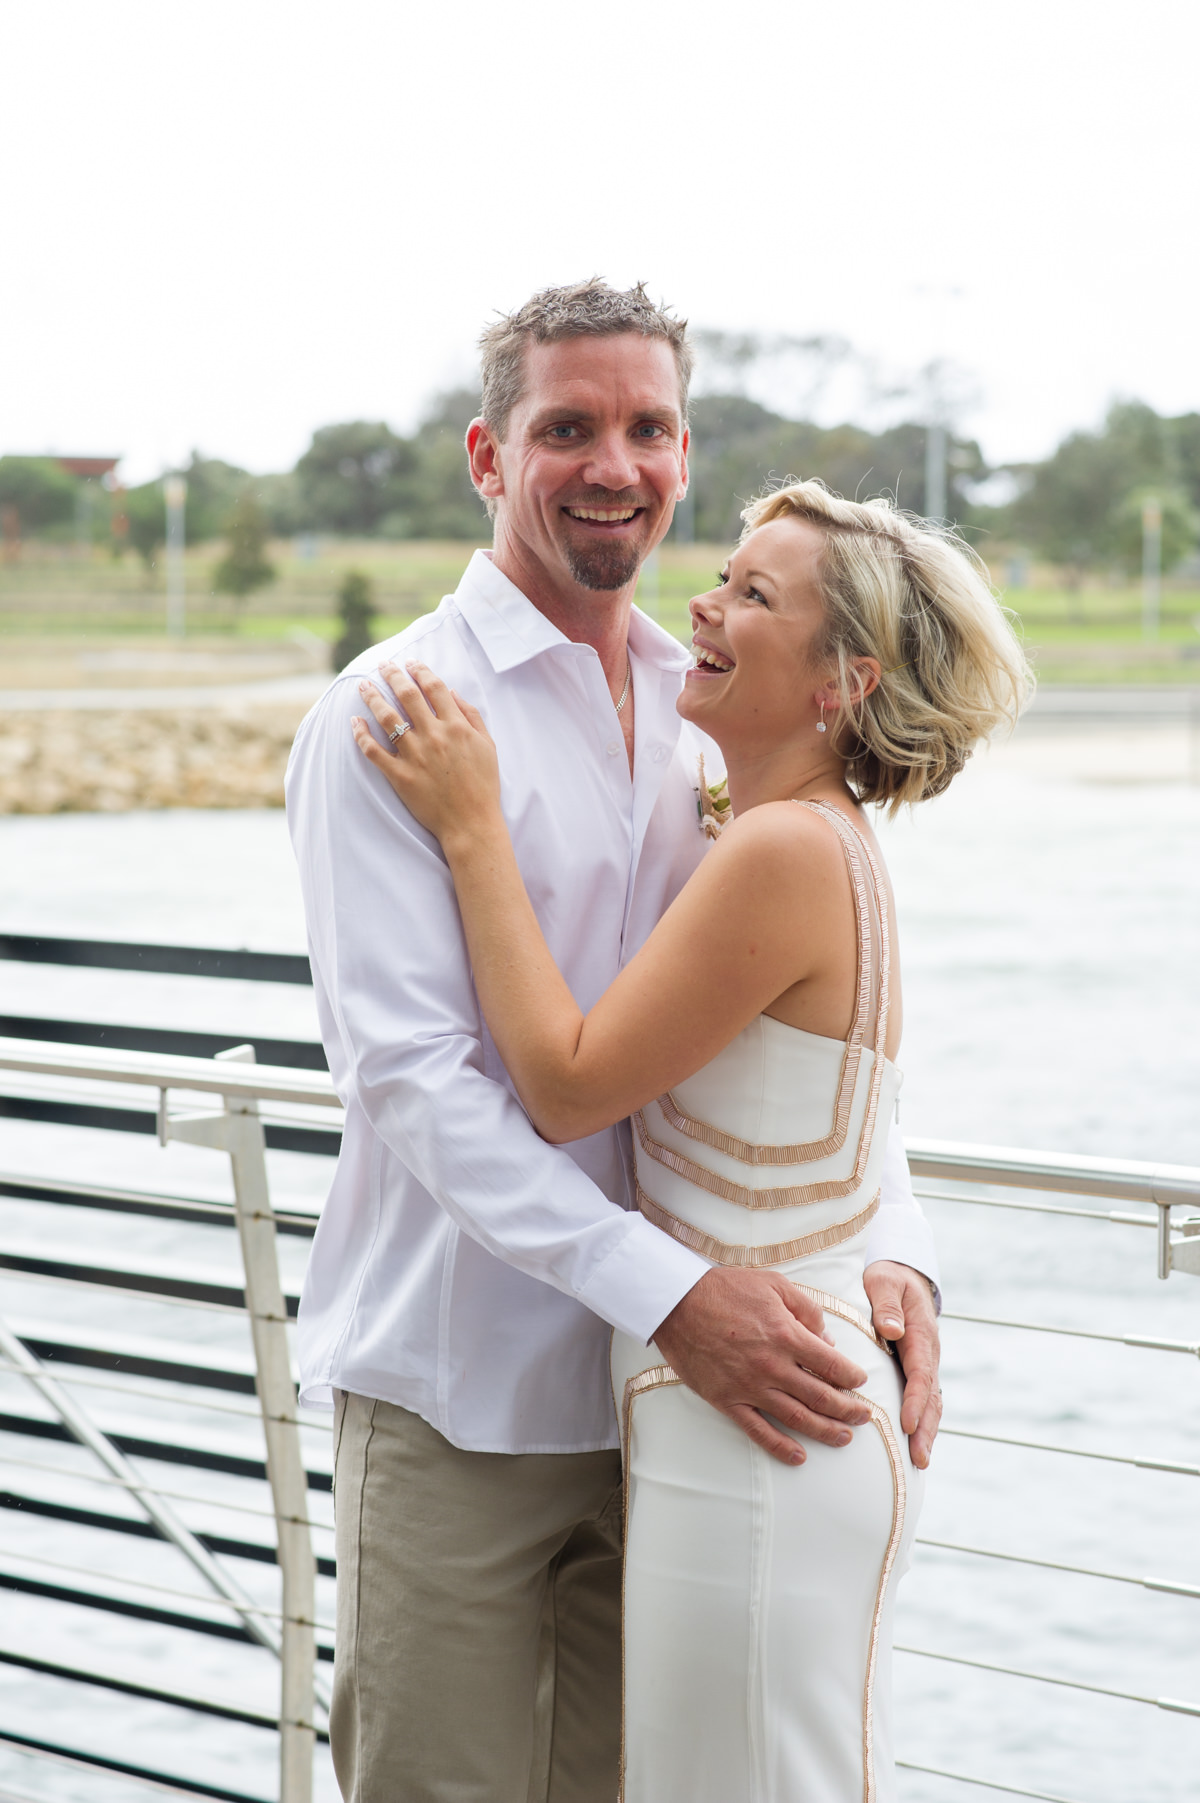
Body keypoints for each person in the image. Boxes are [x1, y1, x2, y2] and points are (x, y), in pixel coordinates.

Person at [285, 280, 947, 1803]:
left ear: (683, 450)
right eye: (567, 427)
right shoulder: (391, 715)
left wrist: (892, 1243)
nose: (613, 463)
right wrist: (673, 1293)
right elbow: (416, 1088)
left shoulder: (710, 700)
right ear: (486, 454)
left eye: (647, 428)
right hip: (466, 1390)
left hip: (686, 1415)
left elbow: (793, 1029)